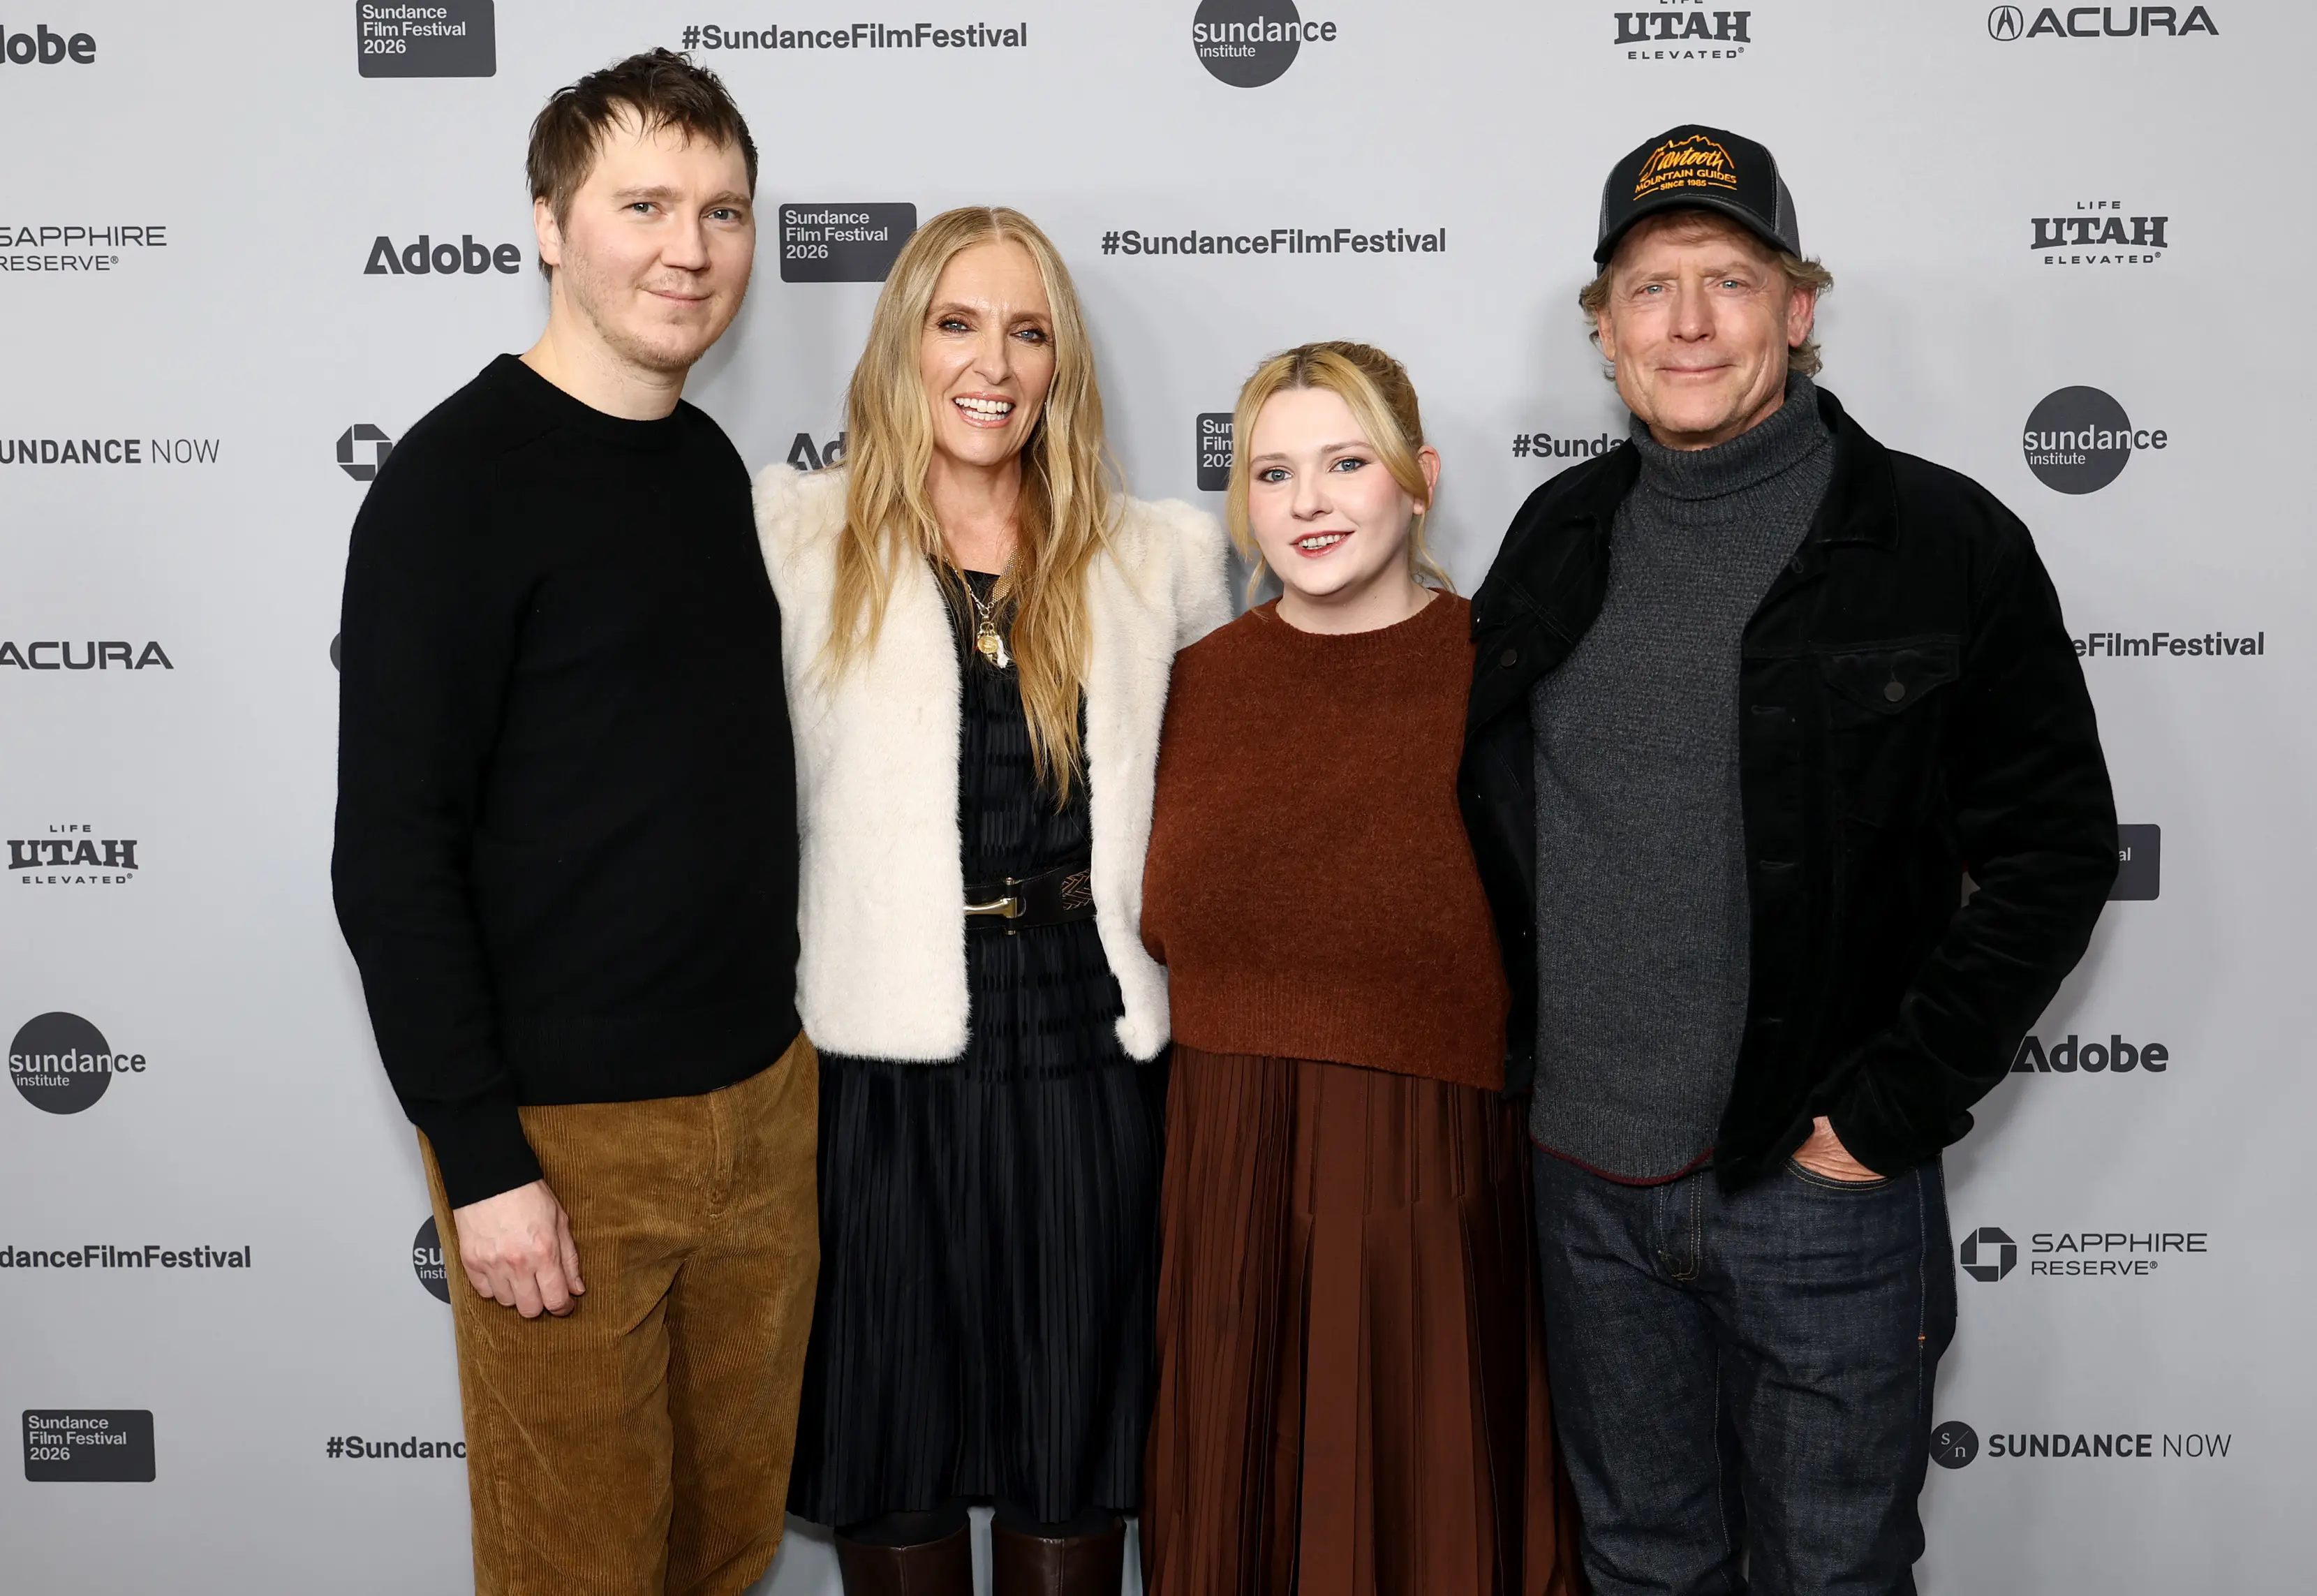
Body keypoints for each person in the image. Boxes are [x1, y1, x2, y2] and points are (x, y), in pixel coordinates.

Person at [1460, 124, 2118, 1594]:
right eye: (1649, 288)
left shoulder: (1942, 542)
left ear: (1799, 311)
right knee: (1640, 1568)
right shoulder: (1557, 536)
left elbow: (2056, 850)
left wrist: (1880, 1118)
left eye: (1730, 281)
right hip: (1587, 1190)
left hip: (1821, 1191)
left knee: (1833, 1575)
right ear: (1605, 330)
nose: (1688, 323)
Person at [332, 51, 815, 1596]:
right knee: (579, 1575)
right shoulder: (451, 484)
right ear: (549, 223)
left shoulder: (703, 460)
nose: (692, 247)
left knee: (725, 1550)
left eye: (724, 210)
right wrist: (483, 1164)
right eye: (646, 205)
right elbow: (390, 855)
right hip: (567, 1148)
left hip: (761, 1109)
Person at [752, 205, 1230, 1595]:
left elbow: (1237, 810)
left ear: (1061, 363)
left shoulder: (1162, 560)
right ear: (905, 344)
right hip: (877, 1071)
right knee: (890, 1453)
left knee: (1074, 1451)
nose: (994, 363)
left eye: (1029, 330)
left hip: (1089, 1053)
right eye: (959, 322)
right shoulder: (795, 541)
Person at [1139, 342, 1585, 1596]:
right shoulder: (1185, 685)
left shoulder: (1501, 676)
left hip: (1431, 1172)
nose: (1309, 502)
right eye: (1274, 473)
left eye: (1346, 462)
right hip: (1222, 1169)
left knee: (1421, 1523)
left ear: (1419, 478)